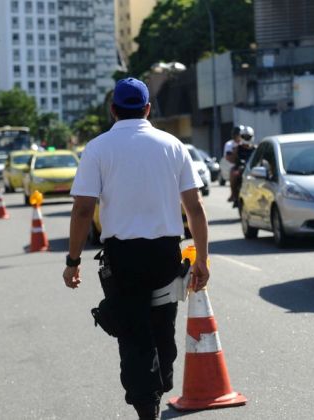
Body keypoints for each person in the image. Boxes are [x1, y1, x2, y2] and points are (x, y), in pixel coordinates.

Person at [62, 77, 210, 420]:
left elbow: (83, 209)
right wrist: (201, 259)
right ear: (147, 108)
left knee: (132, 333)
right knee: (162, 328)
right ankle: (156, 392)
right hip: (165, 256)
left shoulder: (98, 148)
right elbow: (195, 208)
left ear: (113, 110)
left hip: (123, 258)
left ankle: (147, 405)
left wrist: (72, 261)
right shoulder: (172, 145)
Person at [227, 125, 256, 207]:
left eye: (248, 137)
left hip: (251, 170)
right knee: (233, 173)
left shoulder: (255, 149)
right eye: (244, 136)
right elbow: (232, 158)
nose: (246, 138)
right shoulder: (237, 148)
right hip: (240, 168)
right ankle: (234, 194)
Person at [221, 125, 243, 198]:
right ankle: (233, 193)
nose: (240, 137)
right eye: (238, 135)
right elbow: (228, 157)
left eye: (241, 135)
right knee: (233, 173)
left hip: (246, 165)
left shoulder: (245, 142)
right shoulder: (229, 144)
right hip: (235, 165)